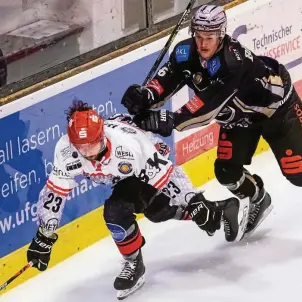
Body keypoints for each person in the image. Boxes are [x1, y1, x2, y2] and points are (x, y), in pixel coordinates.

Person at [121, 4, 302, 241]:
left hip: (277, 111)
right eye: (198, 37)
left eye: (209, 37)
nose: (203, 44)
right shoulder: (184, 53)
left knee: (300, 174)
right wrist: (146, 95)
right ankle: (259, 197)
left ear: (221, 35)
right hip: (240, 120)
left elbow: (207, 107)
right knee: (226, 172)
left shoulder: (233, 61)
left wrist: (170, 119)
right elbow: (166, 80)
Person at [26, 100, 240, 300]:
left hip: (150, 157)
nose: (89, 153)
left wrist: (194, 201)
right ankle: (219, 212)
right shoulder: (65, 151)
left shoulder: (127, 148)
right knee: (142, 211)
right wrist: (44, 235)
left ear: (102, 136)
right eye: (82, 148)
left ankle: (215, 213)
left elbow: (169, 176)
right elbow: (54, 193)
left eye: (92, 145)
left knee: (140, 210)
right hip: (124, 178)